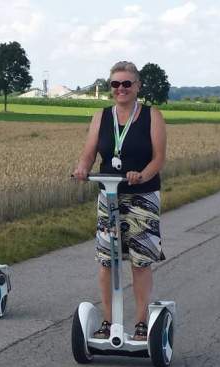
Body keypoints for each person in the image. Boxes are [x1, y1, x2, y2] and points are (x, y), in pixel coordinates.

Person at [73, 61, 167, 341]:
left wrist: (142, 174)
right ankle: (108, 322)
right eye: (116, 84)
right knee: (107, 261)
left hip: (142, 196)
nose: (121, 89)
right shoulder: (101, 117)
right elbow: (89, 153)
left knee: (139, 262)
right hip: (109, 195)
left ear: (137, 86)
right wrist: (81, 168)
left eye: (127, 83)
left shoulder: (152, 116)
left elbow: (158, 158)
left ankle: (140, 323)